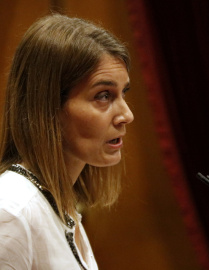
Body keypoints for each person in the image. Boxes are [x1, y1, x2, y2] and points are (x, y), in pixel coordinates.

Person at [0, 13, 134, 269]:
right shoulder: (11, 211)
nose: (126, 115)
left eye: (123, 93)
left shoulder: (59, 205)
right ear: (48, 106)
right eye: (103, 96)